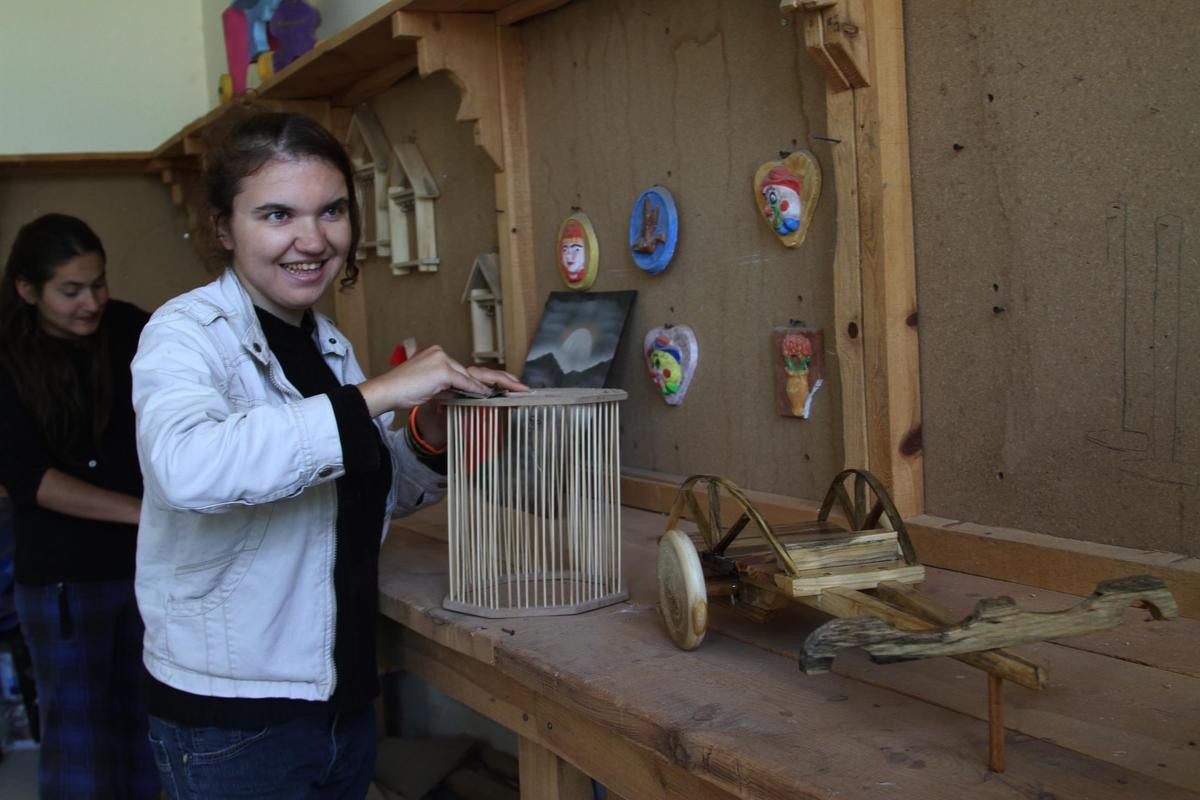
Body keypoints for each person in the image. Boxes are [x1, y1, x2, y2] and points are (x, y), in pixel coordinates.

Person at [131, 111, 525, 799]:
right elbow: (185, 468)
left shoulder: (326, 345)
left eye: (332, 211)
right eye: (277, 214)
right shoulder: (185, 333)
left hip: (339, 697)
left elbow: (354, 493)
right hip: (235, 718)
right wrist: (378, 393)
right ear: (224, 228)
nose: (313, 240)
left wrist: (431, 436)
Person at [0, 213, 159, 798]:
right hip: (62, 582)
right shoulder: (6, 356)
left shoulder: (129, 328)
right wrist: (145, 514)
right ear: (27, 290)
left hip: (145, 569)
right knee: (79, 745)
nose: (91, 303)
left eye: (98, 284)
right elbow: (33, 482)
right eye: (70, 291)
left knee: (149, 732)